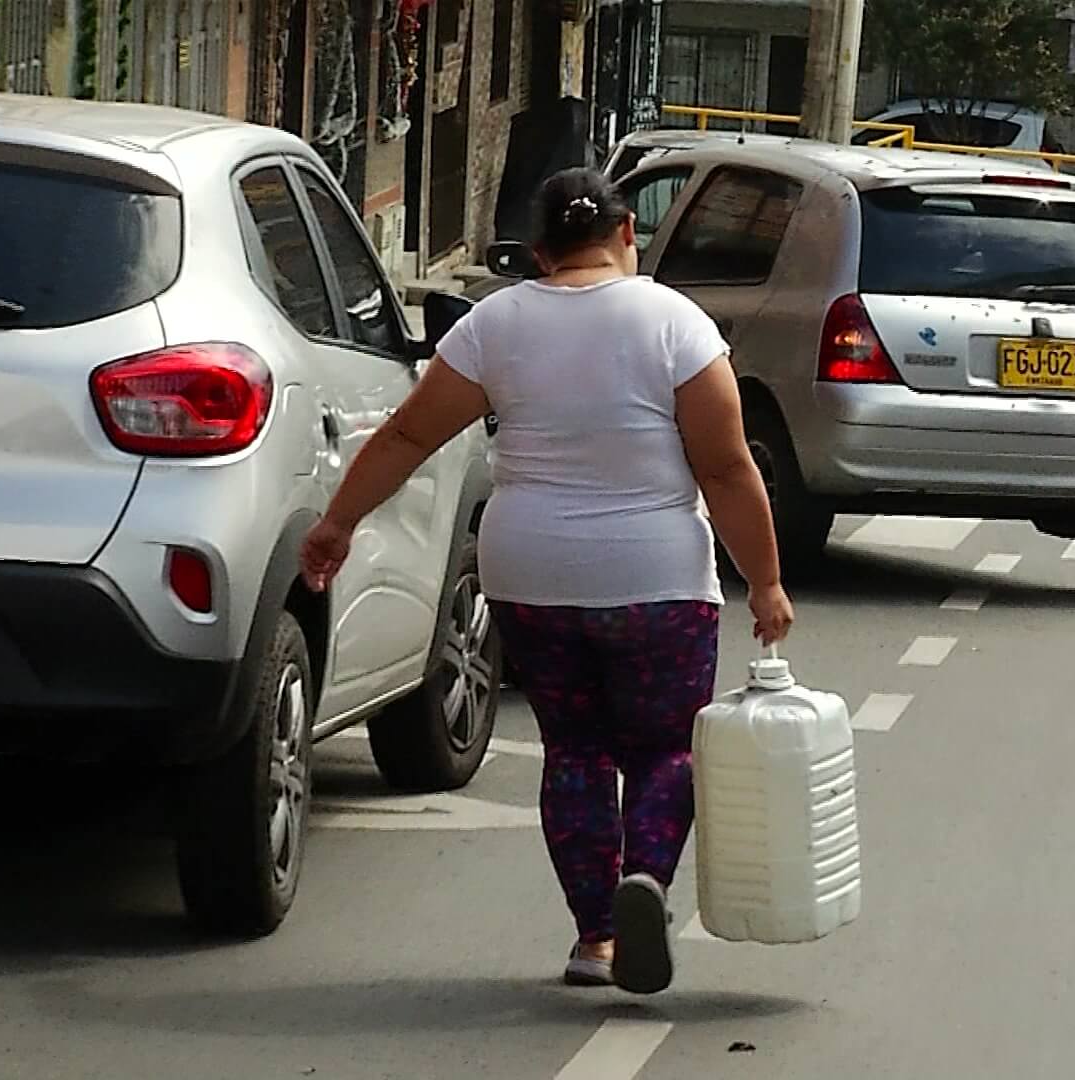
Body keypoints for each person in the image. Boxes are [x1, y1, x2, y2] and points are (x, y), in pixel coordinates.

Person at [298, 167, 795, 995]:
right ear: (627, 234)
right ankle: (647, 882)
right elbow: (728, 470)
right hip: (655, 577)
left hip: (531, 574)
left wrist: (336, 524)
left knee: (575, 752)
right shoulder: (677, 323)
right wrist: (768, 582)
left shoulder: (497, 323)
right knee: (666, 751)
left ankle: (596, 937)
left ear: (539, 254)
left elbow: (406, 436)